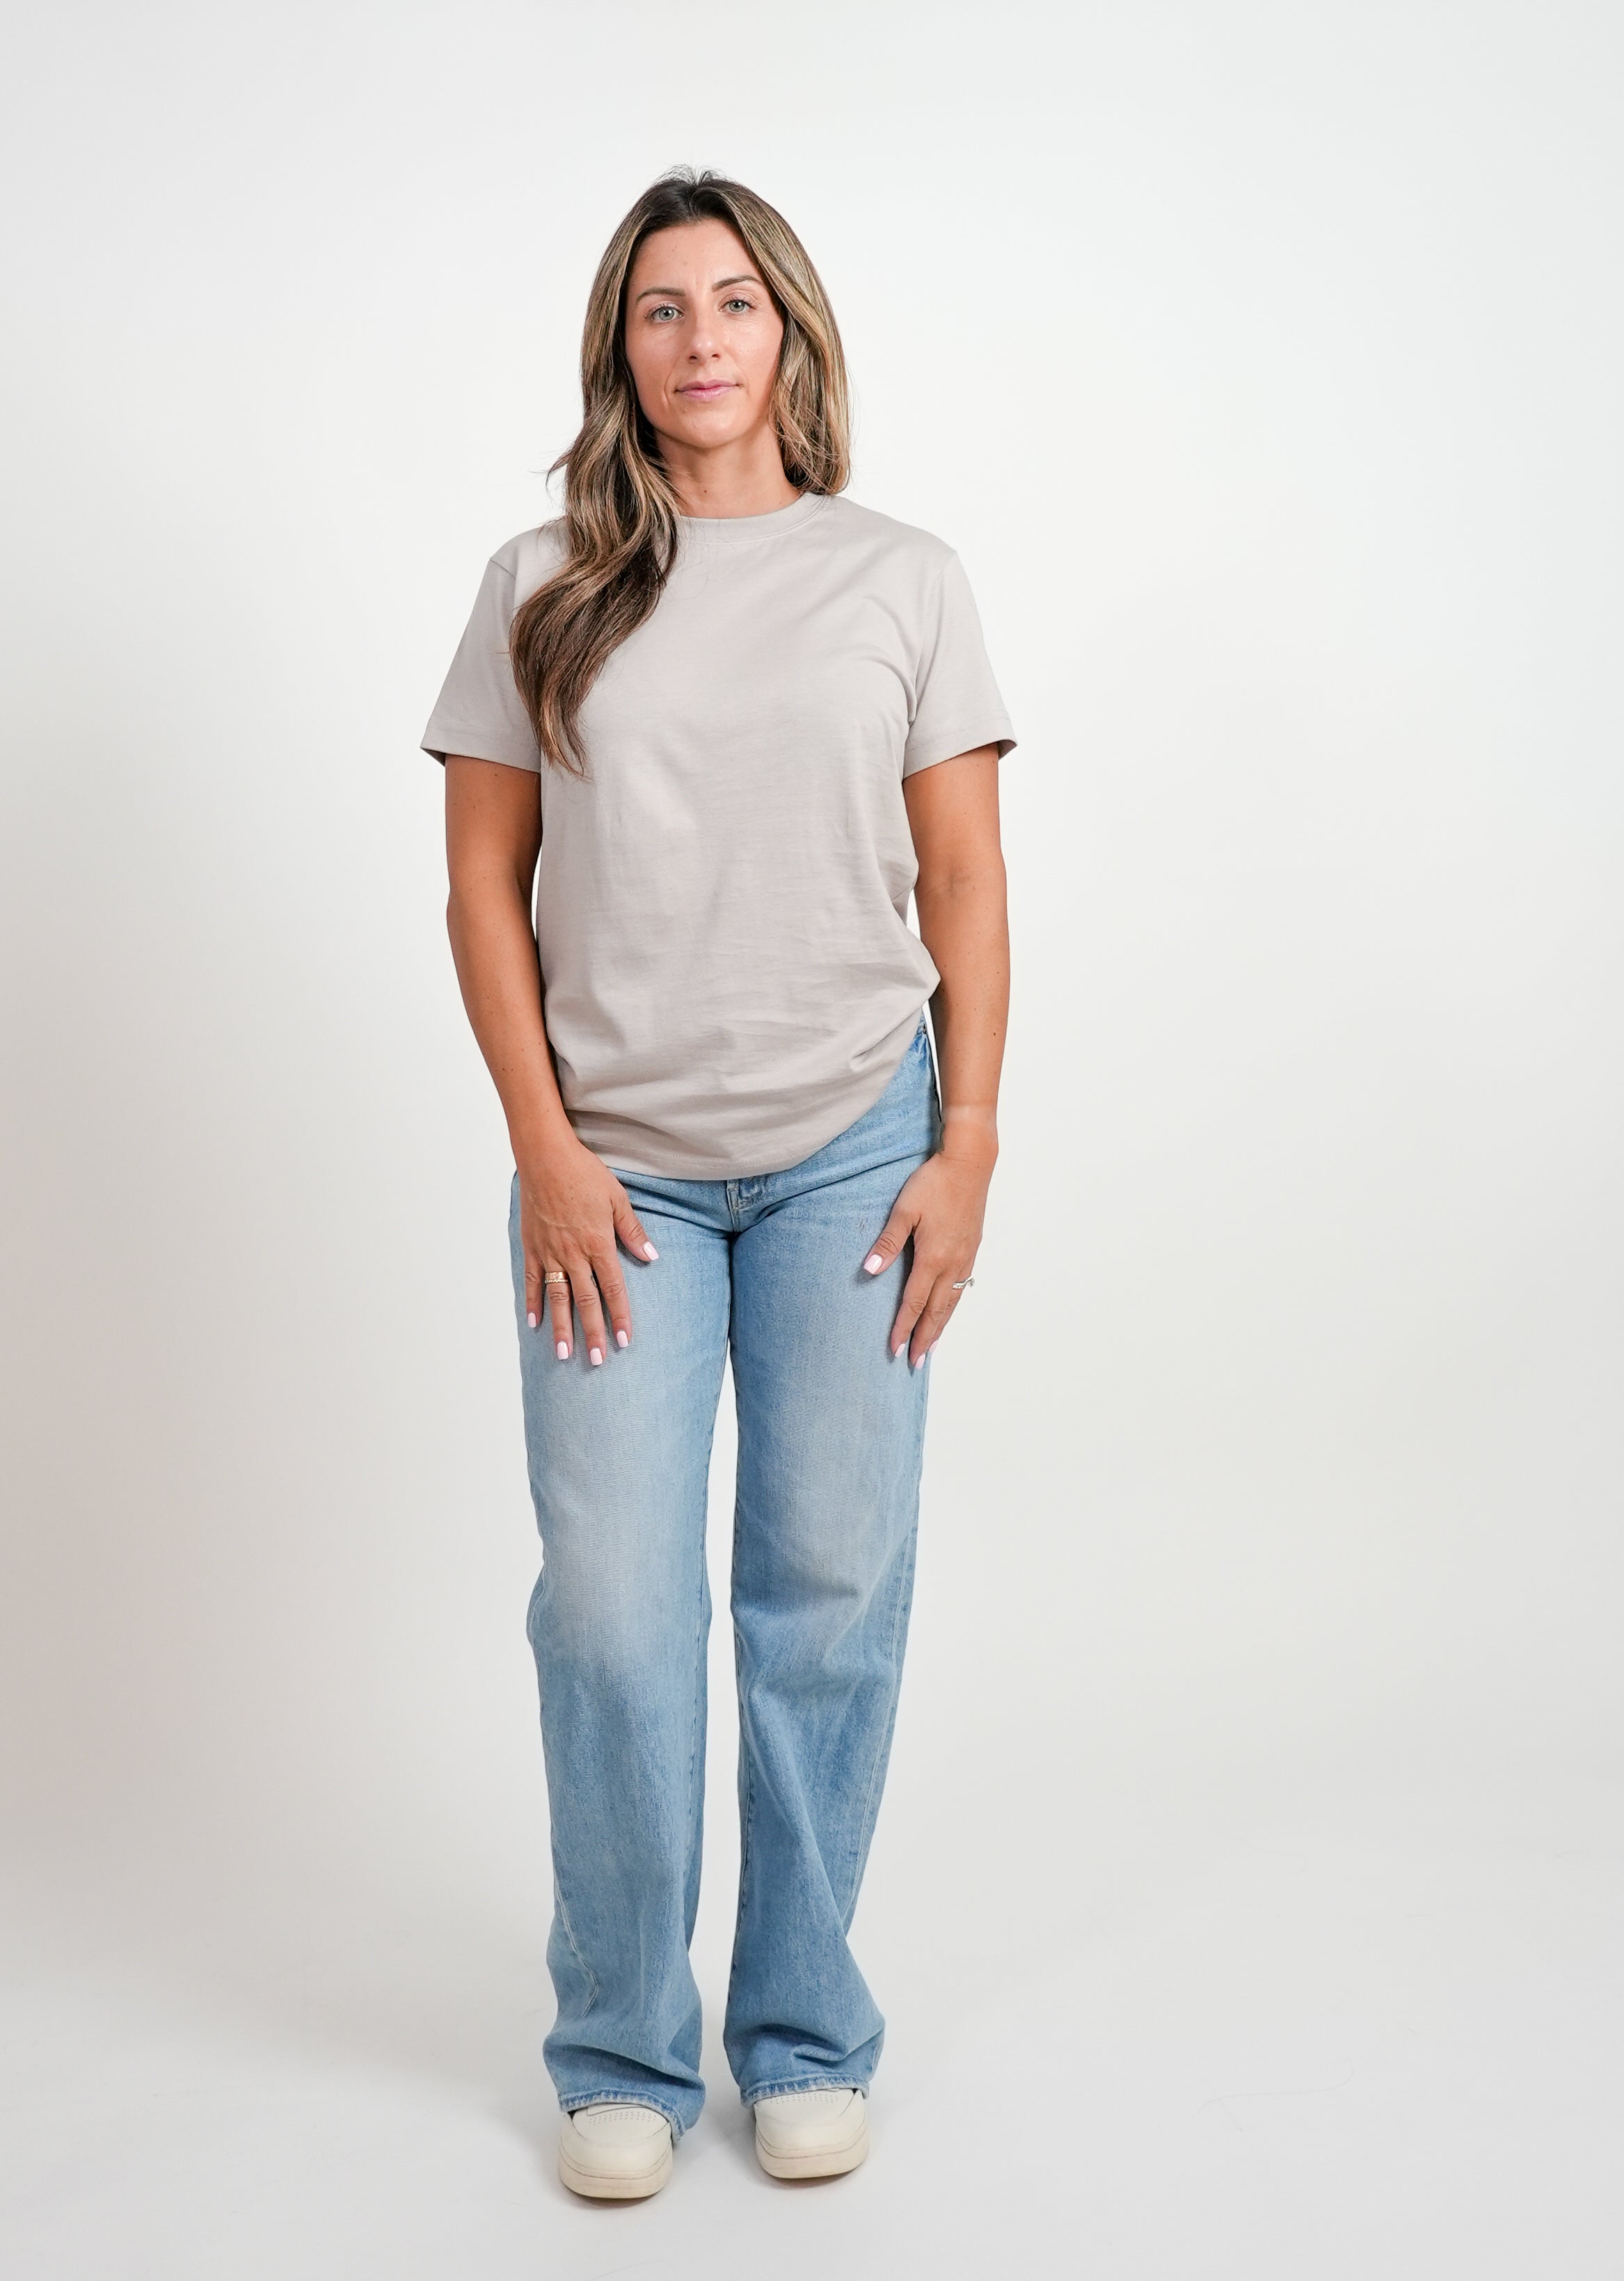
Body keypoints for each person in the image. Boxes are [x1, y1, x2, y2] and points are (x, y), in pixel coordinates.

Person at [425, 168, 1012, 2199]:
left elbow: (965, 887)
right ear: (623, 349)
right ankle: (619, 2048)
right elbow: (482, 895)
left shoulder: (903, 578)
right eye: (660, 310)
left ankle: (801, 2031)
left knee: (828, 1600)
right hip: (620, 1182)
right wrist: (546, 1153)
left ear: (792, 337)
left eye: (734, 303)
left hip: (860, 1138)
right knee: (609, 1611)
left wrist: (968, 1145)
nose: (698, 341)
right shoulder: (538, 581)